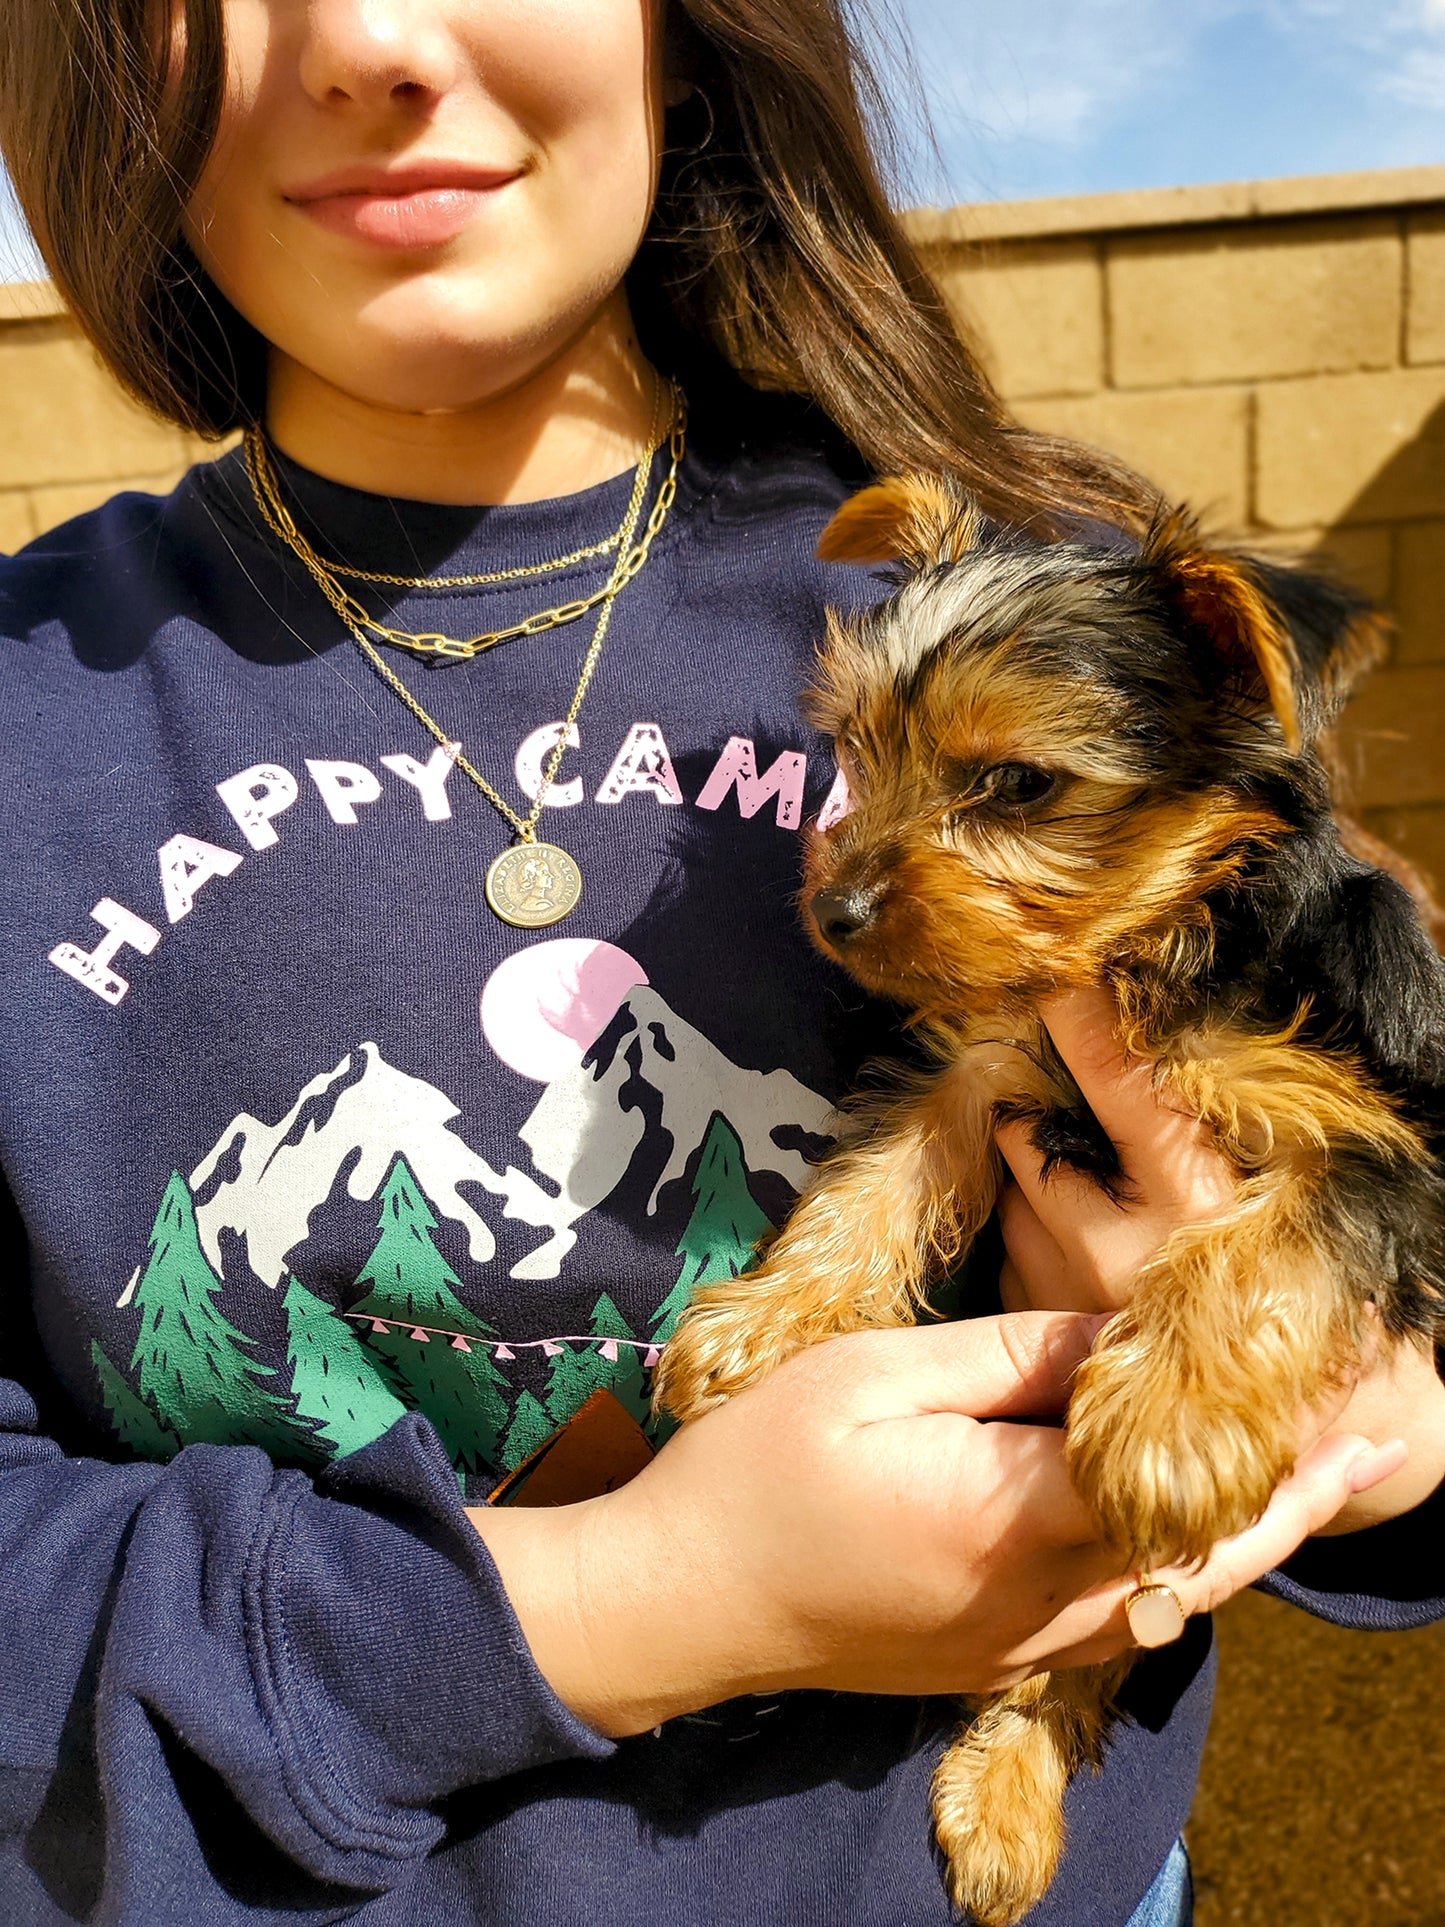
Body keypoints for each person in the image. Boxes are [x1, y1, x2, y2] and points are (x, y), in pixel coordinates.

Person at [0, 2, 1441, 1923]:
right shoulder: (38, 723)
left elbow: (1372, 1125)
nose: (365, 39)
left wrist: (1386, 1416)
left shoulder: (1011, 572)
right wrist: (648, 1600)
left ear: (689, 32)